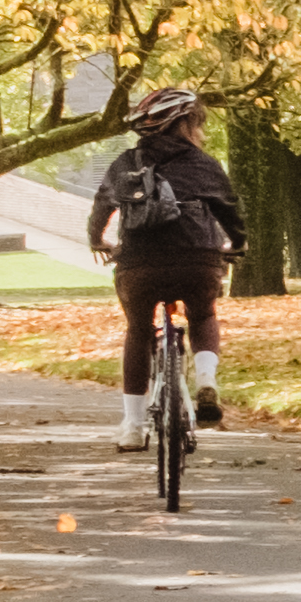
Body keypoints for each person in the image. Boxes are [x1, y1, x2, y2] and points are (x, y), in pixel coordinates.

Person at [89, 97, 235, 427]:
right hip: (198, 259)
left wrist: (97, 239)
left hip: (139, 264)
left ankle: (132, 426)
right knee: (203, 314)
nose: (202, 133)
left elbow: (102, 206)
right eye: (198, 124)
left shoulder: (125, 163)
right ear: (185, 125)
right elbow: (230, 210)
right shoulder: (203, 163)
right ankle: (207, 380)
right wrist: (234, 244)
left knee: (139, 331)